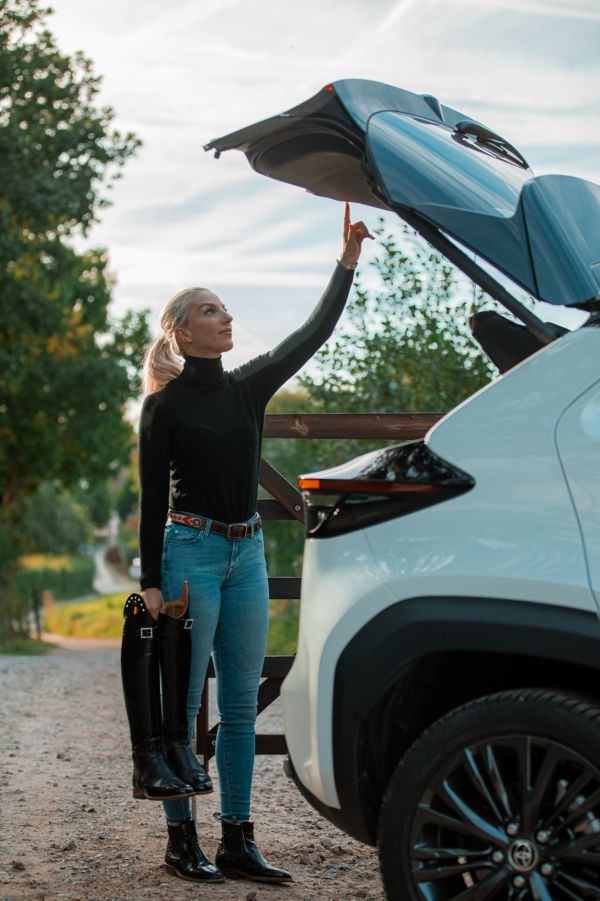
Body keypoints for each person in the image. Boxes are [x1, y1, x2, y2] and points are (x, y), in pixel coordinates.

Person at [137, 202, 373, 884]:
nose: (226, 316)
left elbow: (312, 334)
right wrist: (152, 579)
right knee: (184, 704)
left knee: (239, 704)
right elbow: (155, 498)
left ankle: (238, 836)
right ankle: (182, 838)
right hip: (191, 557)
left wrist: (346, 263)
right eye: (211, 310)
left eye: (225, 309)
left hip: (248, 555)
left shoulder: (247, 389)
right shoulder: (164, 407)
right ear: (182, 330)